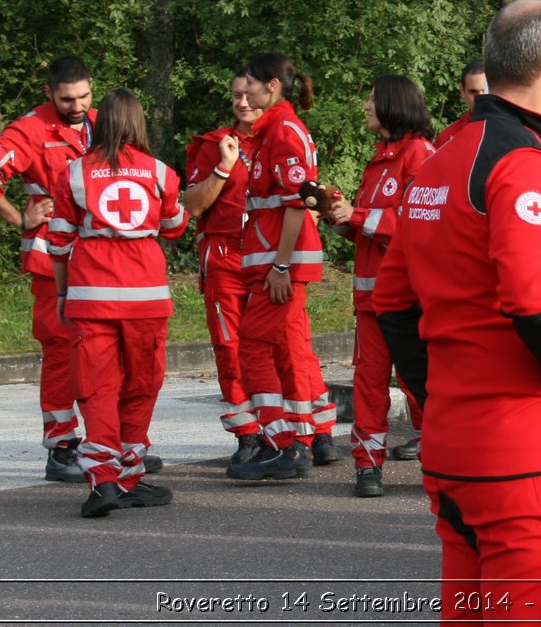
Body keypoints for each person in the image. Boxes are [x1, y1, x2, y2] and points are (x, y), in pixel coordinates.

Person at [392, 0, 541, 622]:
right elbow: (533, 297)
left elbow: (393, 302)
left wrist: (436, 398)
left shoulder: (442, 160)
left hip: (457, 448)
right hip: (531, 453)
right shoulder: (522, 164)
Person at [45, 89, 187, 517]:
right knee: (141, 386)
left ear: (98, 122)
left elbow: (57, 241)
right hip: (146, 297)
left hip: (92, 298)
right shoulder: (160, 171)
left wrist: (62, 293)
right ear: (139, 123)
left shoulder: (74, 172)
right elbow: (175, 226)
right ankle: (128, 474)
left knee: (96, 390)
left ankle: (104, 482)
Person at [0, 55, 101, 481]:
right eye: (67, 99)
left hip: (99, 254)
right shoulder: (30, 129)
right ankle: (61, 447)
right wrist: (19, 218)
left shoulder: (100, 121)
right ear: (48, 93)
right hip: (51, 253)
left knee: (100, 349)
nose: (77, 107)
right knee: (60, 350)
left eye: (83, 97)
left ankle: (106, 444)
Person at [320, 75, 436, 497]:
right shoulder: (379, 159)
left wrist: (356, 215)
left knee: (417, 381)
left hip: (408, 299)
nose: (366, 106)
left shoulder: (420, 156)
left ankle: (441, 458)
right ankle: (367, 466)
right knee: (369, 382)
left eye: (371, 100)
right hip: (371, 298)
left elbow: (416, 224)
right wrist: (339, 217)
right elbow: (369, 226)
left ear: (392, 104)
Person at [226, 53, 337, 479]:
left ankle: (282, 443)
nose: (245, 95)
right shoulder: (276, 129)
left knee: (253, 345)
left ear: (271, 86)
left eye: (250, 85)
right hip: (273, 258)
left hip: (280, 260)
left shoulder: (284, 132)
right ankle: (302, 438)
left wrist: (282, 266)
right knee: (289, 351)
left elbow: (297, 204)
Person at [183, 69, 263, 464]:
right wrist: (223, 167)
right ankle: (247, 434)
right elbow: (193, 204)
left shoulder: (286, 139)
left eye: (249, 95)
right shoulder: (215, 144)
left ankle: (291, 433)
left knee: (276, 345)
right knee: (230, 347)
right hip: (226, 256)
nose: (243, 103)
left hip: (270, 255)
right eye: (236, 96)